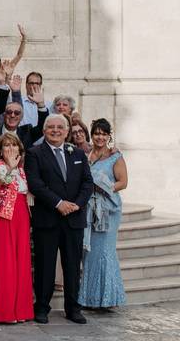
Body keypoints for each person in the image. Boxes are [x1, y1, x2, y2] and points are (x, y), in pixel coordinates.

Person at [25, 114, 94, 324]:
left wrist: (77, 204)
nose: (55, 130)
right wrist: (59, 204)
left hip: (74, 218)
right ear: (44, 130)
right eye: (51, 127)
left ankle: (73, 308)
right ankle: (42, 308)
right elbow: (36, 184)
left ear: (66, 131)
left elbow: (87, 183)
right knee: (45, 266)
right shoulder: (35, 153)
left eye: (60, 127)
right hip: (48, 218)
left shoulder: (78, 153)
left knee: (72, 266)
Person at [79, 118, 128, 311]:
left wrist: (103, 186)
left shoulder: (115, 156)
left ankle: (108, 298)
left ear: (109, 136)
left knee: (104, 252)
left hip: (108, 209)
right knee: (89, 252)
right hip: (88, 209)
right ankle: (89, 298)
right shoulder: (86, 154)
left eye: (103, 133)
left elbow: (123, 182)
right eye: (97, 133)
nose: (100, 137)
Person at [0, 132, 34, 324]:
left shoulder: (22, 170)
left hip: (21, 215)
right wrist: (9, 169)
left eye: (14, 145)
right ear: (0, 150)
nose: (11, 149)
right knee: (4, 262)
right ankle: (5, 312)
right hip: (2, 217)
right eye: (6, 146)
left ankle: (21, 310)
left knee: (21, 262)